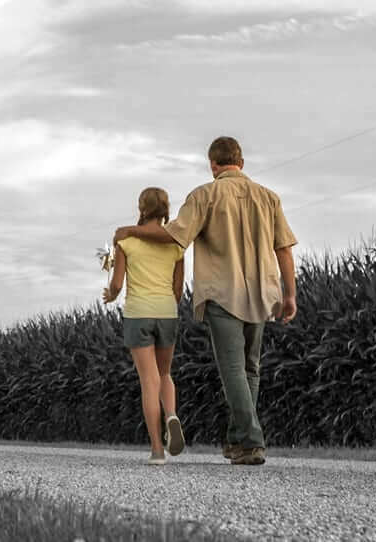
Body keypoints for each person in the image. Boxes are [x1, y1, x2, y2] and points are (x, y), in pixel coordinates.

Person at [113, 136, 297, 466]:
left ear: (213, 164)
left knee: (233, 370)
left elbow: (173, 234)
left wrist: (130, 230)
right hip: (262, 292)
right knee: (250, 367)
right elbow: (283, 248)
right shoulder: (270, 198)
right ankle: (239, 441)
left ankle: (252, 441)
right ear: (240, 162)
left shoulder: (204, 195)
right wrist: (290, 293)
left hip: (222, 293)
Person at [102, 187, 188, 466]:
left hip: (139, 313)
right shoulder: (176, 246)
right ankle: (172, 415)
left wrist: (111, 295)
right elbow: (178, 291)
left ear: (141, 208)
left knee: (148, 381)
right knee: (164, 374)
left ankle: (157, 451)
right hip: (167, 312)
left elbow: (116, 284)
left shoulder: (126, 242)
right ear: (165, 209)